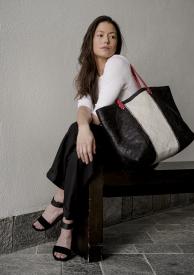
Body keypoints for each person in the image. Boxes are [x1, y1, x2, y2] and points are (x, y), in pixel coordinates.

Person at [32, 15, 140, 261]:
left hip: (131, 149)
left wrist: (83, 126)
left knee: (80, 133)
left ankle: (60, 201)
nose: (107, 40)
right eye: (101, 35)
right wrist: (83, 127)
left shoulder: (118, 63)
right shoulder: (88, 73)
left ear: (118, 43)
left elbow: (99, 112)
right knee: (82, 147)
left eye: (112, 36)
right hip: (105, 147)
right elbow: (83, 108)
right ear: (90, 41)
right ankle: (67, 224)